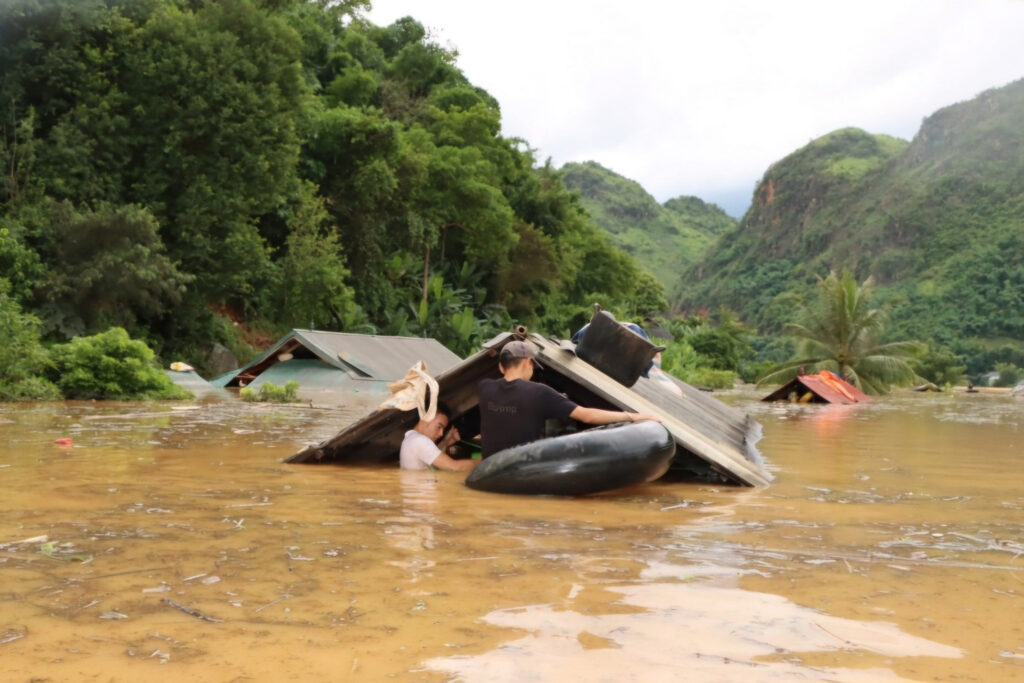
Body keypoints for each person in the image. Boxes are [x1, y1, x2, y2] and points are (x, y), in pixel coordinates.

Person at [477, 340, 662, 457]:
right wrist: (633, 416)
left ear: (501, 367)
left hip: (490, 466)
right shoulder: (539, 392)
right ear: (527, 363)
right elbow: (587, 416)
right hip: (519, 467)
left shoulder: (484, 388)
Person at [399, 403, 478, 472]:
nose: (441, 433)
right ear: (426, 417)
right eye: (439, 427)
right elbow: (455, 467)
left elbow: (434, 455)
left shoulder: (411, 438)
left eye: (443, 429)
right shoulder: (420, 440)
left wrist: (448, 441)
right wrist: (485, 461)